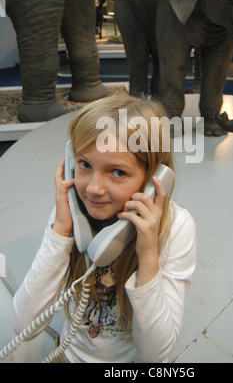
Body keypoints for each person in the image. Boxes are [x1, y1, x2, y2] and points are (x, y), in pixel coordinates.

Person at [12, 94, 197, 363]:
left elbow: (156, 357)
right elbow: (23, 326)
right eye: (85, 164)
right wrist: (60, 232)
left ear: (154, 178)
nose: (93, 189)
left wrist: (147, 257)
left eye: (117, 172)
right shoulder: (72, 212)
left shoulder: (176, 228)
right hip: (68, 355)